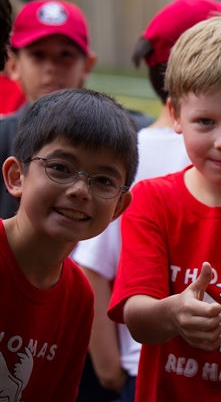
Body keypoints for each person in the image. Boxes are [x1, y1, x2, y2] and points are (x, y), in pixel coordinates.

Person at [72, 0, 221, 402]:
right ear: (175, 115)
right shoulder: (150, 199)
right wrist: (173, 313)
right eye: (205, 121)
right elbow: (137, 317)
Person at [0, 89, 138, 402]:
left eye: (103, 180)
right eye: (61, 167)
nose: (80, 190)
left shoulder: (79, 296)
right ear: (16, 176)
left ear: (118, 206)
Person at [0, 0, 151, 220]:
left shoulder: (136, 135)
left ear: (87, 65)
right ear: (13, 64)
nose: (52, 68)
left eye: (66, 55)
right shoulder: (2, 136)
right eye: (38, 55)